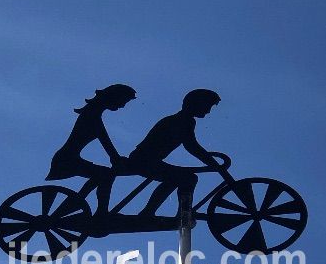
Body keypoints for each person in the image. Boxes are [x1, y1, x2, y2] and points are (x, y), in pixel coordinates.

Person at [126, 89, 221, 216]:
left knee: (179, 177)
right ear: (196, 104)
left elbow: (192, 146)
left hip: (146, 160)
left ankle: (153, 212)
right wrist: (214, 164)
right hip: (143, 160)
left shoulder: (182, 119)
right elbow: (191, 146)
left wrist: (211, 162)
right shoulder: (183, 121)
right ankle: (179, 214)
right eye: (207, 106)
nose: (208, 111)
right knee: (188, 178)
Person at [46, 84, 136, 215]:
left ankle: (79, 201)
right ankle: (100, 212)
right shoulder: (92, 116)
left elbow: (108, 146)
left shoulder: (92, 113)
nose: (122, 106)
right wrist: (117, 159)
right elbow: (107, 144)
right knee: (106, 174)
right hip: (67, 160)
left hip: (68, 158)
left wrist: (116, 158)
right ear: (114, 97)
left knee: (103, 174)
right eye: (123, 101)